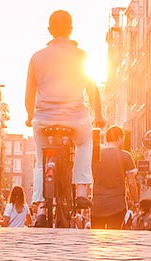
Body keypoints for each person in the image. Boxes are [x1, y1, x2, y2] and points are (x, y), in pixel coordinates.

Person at [25, 10, 104, 204]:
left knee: (40, 158)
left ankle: (41, 205)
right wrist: (99, 116)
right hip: (75, 119)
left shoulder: (37, 57)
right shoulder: (81, 56)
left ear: (49, 30)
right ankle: (82, 192)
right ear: (71, 30)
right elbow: (92, 90)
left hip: (44, 119)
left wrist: (29, 115)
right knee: (84, 144)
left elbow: (29, 93)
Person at [92, 126, 137, 230]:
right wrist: (136, 201)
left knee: (96, 238)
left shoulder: (95, 156)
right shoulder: (126, 156)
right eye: (123, 139)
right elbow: (131, 183)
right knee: (115, 237)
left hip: (97, 204)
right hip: (117, 205)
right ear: (119, 138)